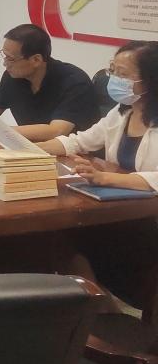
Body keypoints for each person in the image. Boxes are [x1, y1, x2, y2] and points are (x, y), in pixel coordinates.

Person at [38, 41, 158, 310]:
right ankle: (97, 308)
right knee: (60, 236)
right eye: (112, 71)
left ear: (151, 80)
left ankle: (103, 309)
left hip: (148, 218)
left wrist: (107, 178)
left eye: (123, 74)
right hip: (123, 211)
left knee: (74, 235)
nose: (114, 80)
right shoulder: (122, 112)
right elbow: (79, 141)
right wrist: (29, 149)